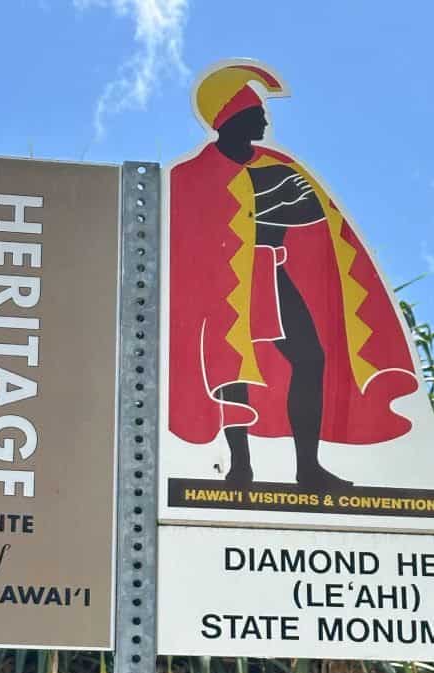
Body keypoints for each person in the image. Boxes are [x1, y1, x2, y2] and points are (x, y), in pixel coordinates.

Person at [168, 62, 418, 489]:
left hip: (268, 271)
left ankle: (308, 467)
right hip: (224, 283)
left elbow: (308, 210)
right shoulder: (190, 175)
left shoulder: (279, 165)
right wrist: (263, 208)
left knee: (311, 358)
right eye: (256, 111)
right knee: (231, 368)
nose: (266, 118)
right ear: (231, 118)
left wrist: (264, 209)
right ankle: (240, 466)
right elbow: (196, 227)